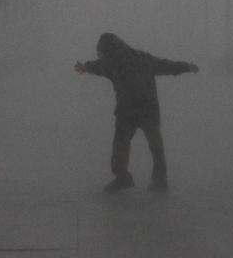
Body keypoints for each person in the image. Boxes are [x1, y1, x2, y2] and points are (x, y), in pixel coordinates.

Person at [75, 32, 199, 193]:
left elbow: (96, 66)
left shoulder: (110, 63)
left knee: (121, 145)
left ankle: (122, 178)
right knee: (156, 147)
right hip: (149, 109)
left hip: (127, 112)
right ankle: (160, 180)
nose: (99, 56)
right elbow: (167, 66)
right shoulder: (143, 58)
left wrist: (84, 67)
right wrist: (187, 66)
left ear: (107, 51)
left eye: (100, 52)